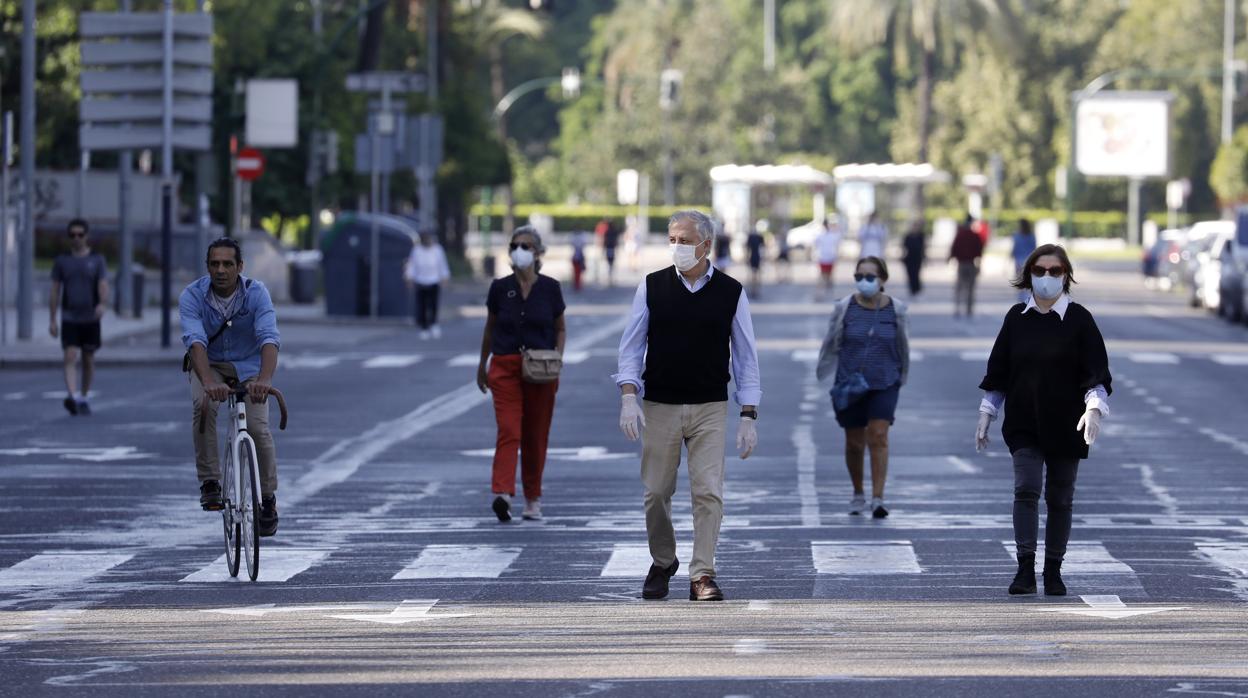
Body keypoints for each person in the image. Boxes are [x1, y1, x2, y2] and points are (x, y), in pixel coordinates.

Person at [615, 209, 761, 603]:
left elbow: (746, 357)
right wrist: (629, 396)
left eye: (684, 240)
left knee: (708, 492)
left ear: (706, 244)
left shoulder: (731, 291)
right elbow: (631, 347)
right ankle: (663, 561)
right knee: (656, 492)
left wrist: (748, 414)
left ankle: (702, 574)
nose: (677, 247)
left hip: (710, 405)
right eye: (672, 239)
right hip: (660, 403)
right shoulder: (652, 287)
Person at [975, 244, 1111, 597]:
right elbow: (999, 373)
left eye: (1054, 271)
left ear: (1066, 275)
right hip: (1024, 421)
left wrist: (1093, 408)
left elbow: (1096, 374)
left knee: (1060, 498)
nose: (1046, 278)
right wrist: (986, 413)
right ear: (1028, 275)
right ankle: (1024, 569)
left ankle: (1053, 571)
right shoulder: (1016, 319)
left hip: (1067, 423)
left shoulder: (1080, 320)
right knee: (1026, 488)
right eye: (1039, 271)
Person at [180, 237, 282, 536]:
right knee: (203, 405)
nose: (221, 270)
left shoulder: (257, 294)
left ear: (240, 267)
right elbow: (194, 340)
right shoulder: (192, 295)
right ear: (207, 267)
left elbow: (269, 337)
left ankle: (267, 498)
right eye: (214, 264)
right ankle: (210, 481)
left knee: (257, 428)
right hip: (208, 365)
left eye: (227, 264)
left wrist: (264, 380)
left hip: (250, 367)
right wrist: (209, 382)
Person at [476, 226, 566, 523]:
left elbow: (560, 328)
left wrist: (557, 359)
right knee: (509, 429)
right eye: (515, 245)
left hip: (541, 369)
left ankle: (533, 499)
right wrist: (482, 365)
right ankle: (502, 492)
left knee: (535, 435)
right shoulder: (500, 288)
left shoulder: (551, 288)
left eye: (526, 246)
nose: (519, 250)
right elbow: (489, 329)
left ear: (538, 253)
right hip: (504, 366)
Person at [815, 256, 910, 519]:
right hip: (850, 384)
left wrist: (901, 374)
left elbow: (903, 345)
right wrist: (823, 369)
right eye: (859, 277)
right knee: (854, 443)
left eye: (870, 277)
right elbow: (831, 342)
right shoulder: (845, 308)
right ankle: (858, 492)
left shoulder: (897, 309)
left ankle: (878, 498)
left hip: (885, 382)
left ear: (882, 280)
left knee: (878, 435)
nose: (864, 282)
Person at [48, 219, 109, 416]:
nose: (76, 238)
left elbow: (103, 284)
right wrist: (52, 319)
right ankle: (72, 396)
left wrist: (102, 304)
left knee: (88, 358)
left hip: (90, 317)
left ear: (86, 236)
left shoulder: (97, 260)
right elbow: (55, 290)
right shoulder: (62, 261)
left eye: (80, 234)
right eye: (72, 235)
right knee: (70, 355)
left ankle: (83, 395)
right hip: (69, 317)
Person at [404, 231, 451, 340]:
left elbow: (442, 264)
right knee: (422, 305)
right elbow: (412, 265)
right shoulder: (417, 250)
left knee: (433, 305)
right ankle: (423, 327)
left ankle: (434, 324)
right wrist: (409, 277)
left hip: (434, 280)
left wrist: (444, 277)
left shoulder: (438, 250)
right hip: (421, 281)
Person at [949, 215, 985, 318]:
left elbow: (954, 248)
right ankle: (968, 310)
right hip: (971, 263)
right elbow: (979, 252)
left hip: (962, 264)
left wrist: (951, 258)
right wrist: (979, 265)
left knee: (960, 287)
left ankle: (957, 308)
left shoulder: (960, 234)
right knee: (970, 288)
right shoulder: (974, 235)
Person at [814, 218, 842, 300]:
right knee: (823, 276)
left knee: (827, 276)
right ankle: (820, 293)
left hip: (828, 258)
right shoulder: (823, 235)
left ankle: (825, 292)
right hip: (825, 258)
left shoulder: (830, 235)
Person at [1011, 219, 1037, 303]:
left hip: (1019, 260)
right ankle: (1027, 298)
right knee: (1028, 280)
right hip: (1029, 260)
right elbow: (1034, 248)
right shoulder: (1032, 236)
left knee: (1019, 280)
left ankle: (1021, 299)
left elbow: (1015, 248)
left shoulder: (1016, 235)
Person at [901, 223, 926, 298]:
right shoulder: (908, 236)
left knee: (917, 274)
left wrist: (925, 257)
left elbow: (923, 247)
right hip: (909, 258)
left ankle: (917, 290)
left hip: (918, 258)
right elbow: (904, 247)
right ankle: (912, 290)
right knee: (910, 274)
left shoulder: (921, 236)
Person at [746, 220, 766, 298]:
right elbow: (748, 248)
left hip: (757, 257)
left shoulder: (760, 237)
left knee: (757, 274)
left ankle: (756, 290)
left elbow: (763, 248)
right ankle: (753, 290)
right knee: (753, 274)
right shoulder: (751, 236)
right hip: (753, 256)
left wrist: (763, 258)